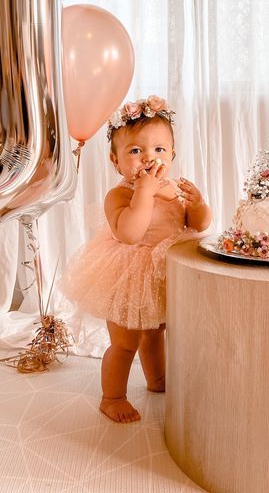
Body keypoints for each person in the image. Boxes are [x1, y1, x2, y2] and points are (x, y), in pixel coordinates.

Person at [61, 95, 212, 423]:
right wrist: (144, 192)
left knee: (156, 331)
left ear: (172, 155)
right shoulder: (120, 195)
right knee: (126, 342)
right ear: (115, 161)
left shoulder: (175, 189)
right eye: (135, 151)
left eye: (159, 150)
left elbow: (198, 225)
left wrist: (198, 203)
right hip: (126, 275)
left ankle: (157, 379)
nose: (149, 158)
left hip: (165, 272)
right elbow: (129, 233)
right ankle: (112, 397)